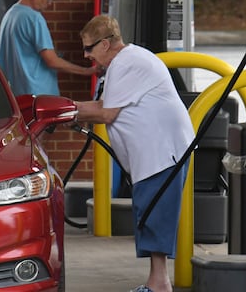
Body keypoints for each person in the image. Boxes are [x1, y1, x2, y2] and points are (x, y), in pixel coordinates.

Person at [73, 15, 194, 292]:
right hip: (155, 154)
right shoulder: (127, 61)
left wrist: (65, 109)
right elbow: (107, 107)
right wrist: (73, 111)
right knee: (150, 215)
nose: (86, 54)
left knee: (155, 215)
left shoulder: (127, 62)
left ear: (105, 44)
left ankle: (159, 286)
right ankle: (157, 283)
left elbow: (106, 112)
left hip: (162, 153)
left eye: (89, 48)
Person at [0, 0, 97, 96]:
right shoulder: (34, 18)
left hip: (16, 93)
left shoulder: (10, 15)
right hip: (38, 94)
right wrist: (87, 71)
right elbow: (52, 61)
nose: (49, 3)